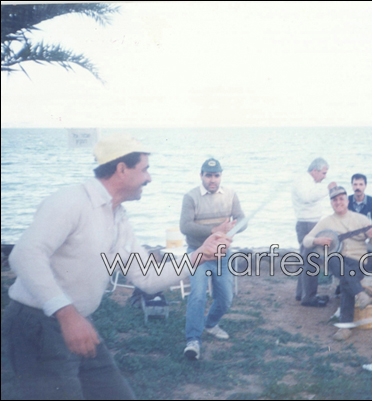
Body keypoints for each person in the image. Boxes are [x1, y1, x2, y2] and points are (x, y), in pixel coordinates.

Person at [2, 134, 231, 400]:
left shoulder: (118, 216)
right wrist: (67, 315)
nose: (149, 178)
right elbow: (24, 255)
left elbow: (147, 278)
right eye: (144, 169)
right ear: (122, 169)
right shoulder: (71, 201)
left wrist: (201, 254)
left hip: (78, 323)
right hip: (38, 324)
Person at [179, 158, 246, 360]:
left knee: (225, 298)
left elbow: (243, 220)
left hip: (223, 255)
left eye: (216, 175)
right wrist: (214, 230)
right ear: (201, 176)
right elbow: (185, 226)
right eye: (208, 175)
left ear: (220, 176)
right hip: (198, 253)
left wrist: (231, 231)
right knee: (198, 295)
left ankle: (210, 324)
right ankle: (193, 340)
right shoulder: (191, 197)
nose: (212, 179)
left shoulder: (230, 194)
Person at [303, 186, 372, 341]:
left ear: (347, 201)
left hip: (358, 261)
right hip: (338, 262)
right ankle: (360, 295)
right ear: (331, 203)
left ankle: (345, 327)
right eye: (334, 200)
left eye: (341, 199)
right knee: (333, 259)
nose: (338, 202)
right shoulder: (326, 221)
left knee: (346, 280)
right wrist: (317, 240)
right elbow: (306, 240)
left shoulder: (361, 219)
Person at [291, 157, 336, 307]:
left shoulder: (308, 181)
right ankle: (308, 297)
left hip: (310, 223)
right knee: (311, 260)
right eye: (323, 173)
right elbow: (307, 197)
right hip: (307, 224)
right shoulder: (303, 181)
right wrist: (327, 189)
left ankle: (302, 293)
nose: (324, 177)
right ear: (315, 171)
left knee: (307, 259)